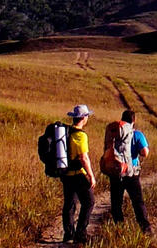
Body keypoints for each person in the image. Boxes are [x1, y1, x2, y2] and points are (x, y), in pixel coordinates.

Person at [109, 109, 151, 233]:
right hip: (131, 172)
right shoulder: (137, 135)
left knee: (116, 202)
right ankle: (145, 229)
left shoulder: (114, 133)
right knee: (138, 201)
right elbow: (145, 153)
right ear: (133, 121)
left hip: (116, 172)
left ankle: (119, 228)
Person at [62, 105, 97, 245]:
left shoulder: (67, 133)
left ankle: (68, 233)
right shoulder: (80, 136)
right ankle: (80, 234)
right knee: (89, 202)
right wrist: (91, 175)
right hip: (78, 174)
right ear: (83, 118)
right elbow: (84, 158)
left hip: (66, 175)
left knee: (69, 204)